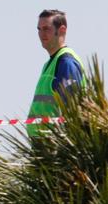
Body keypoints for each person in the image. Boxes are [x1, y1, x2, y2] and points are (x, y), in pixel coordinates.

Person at [26, 9, 86, 137]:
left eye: (46, 28)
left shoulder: (66, 63)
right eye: (39, 29)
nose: (42, 34)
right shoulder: (49, 64)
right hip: (42, 143)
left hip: (56, 145)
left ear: (62, 30)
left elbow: (72, 110)